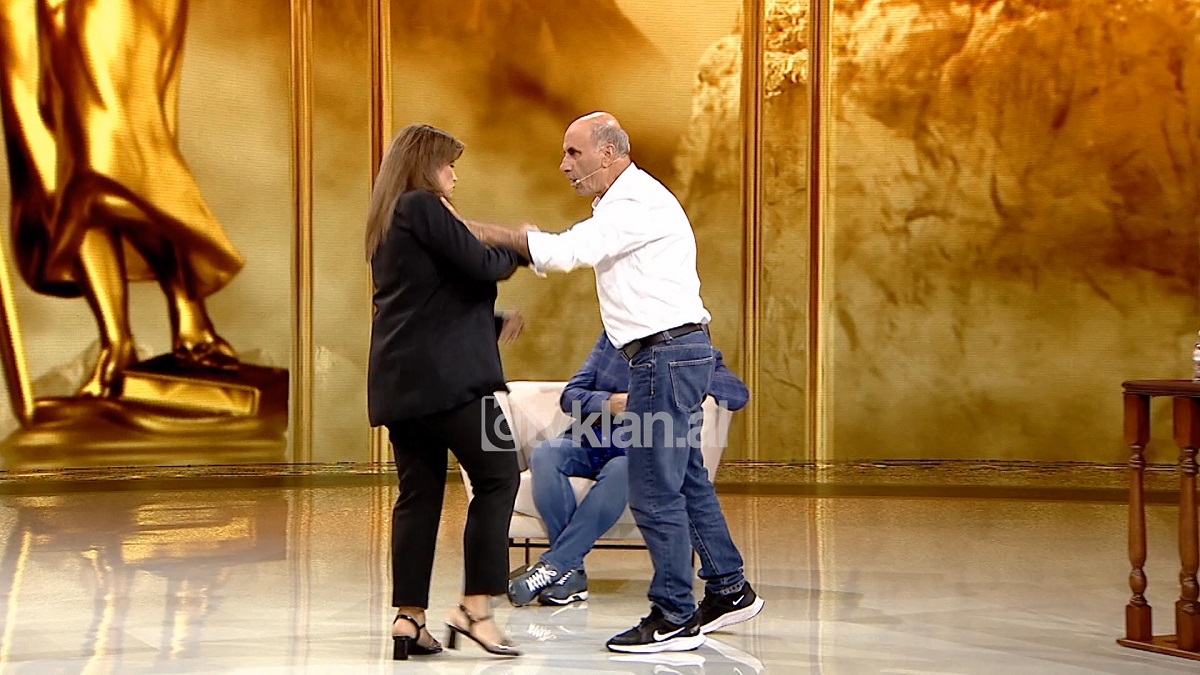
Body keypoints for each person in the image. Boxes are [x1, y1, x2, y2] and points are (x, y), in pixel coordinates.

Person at [471, 112, 766, 653]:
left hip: (664, 357)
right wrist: (527, 241)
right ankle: (729, 588)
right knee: (688, 481)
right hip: (671, 354)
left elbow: (566, 252)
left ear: (608, 153)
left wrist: (489, 233)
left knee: (653, 491)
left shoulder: (634, 202)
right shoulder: (622, 203)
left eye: (573, 153)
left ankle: (674, 614)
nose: (564, 165)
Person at [365, 123, 530, 660]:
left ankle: (409, 618)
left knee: (419, 496)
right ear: (426, 165)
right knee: (500, 476)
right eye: (449, 164)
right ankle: (475, 609)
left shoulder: (389, 217)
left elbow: (429, 296)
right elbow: (480, 263)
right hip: (454, 386)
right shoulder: (423, 204)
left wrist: (491, 320)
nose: (454, 175)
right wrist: (519, 246)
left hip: (402, 386)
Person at [507, 330, 749, 608]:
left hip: (638, 450)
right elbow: (571, 396)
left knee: (623, 469)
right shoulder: (613, 341)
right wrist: (609, 403)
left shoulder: (690, 353)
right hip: (589, 439)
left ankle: (556, 566)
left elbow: (737, 396)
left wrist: (691, 380)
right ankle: (570, 570)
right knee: (546, 454)